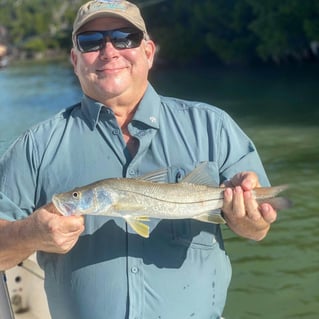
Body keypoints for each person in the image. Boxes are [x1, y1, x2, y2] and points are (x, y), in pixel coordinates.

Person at [0, 1, 278, 318]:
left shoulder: (213, 127)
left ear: (148, 52)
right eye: (91, 42)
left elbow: (258, 228)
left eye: (124, 37)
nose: (109, 51)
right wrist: (29, 234)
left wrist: (249, 219)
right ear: (75, 60)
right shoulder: (34, 146)